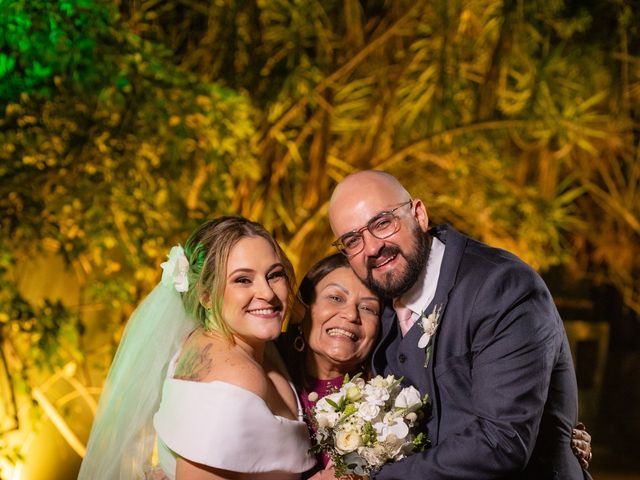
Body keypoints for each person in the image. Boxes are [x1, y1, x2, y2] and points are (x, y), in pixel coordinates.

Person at [324, 170, 591, 479]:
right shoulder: (375, 309)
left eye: (383, 223)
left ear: (419, 215)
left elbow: (501, 442)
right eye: (352, 240)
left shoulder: (502, 285)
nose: (372, 248)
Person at [279, 253, 593, 478]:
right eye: (335, 298)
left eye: (368, 308)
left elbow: (469, 435)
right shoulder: (271, 369)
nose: (350, 315)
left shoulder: (398, 392)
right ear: (303, 309)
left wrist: (553, 440)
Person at [78, 216, 315, 479]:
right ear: (205, 295)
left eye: (274, 275)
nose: (268, 293)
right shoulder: (234, 382)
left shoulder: (211, 340)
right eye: (243, 280)